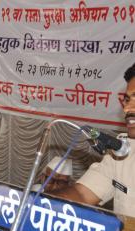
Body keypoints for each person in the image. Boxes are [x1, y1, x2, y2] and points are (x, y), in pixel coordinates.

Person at [53, 63, 135, 217]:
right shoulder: (122, 149)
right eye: (127, 100)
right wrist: (35, 203)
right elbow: (82, 194)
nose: (127, 109)